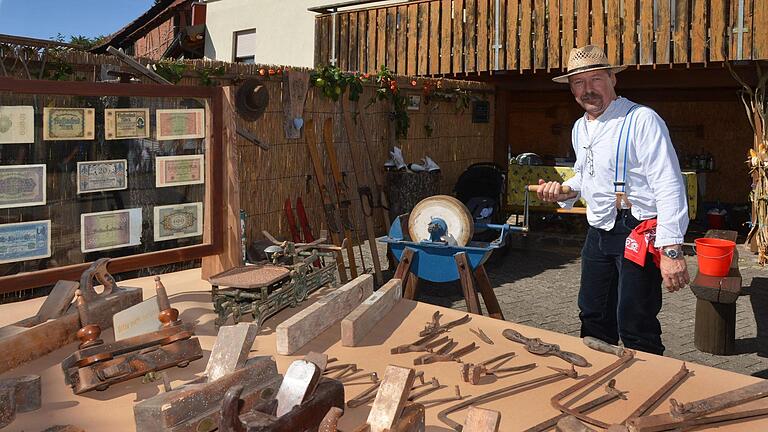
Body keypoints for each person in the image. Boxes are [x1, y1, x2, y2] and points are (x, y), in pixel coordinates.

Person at [537, 45, 689, 355]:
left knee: (635, 322)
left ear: (612, 79)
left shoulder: (642, 120)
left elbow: (669, 185)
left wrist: (671, 249)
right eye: (578, 83)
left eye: (595, 79)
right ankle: (598, 385)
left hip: (636, 230)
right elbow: (586, 177)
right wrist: (563, 189)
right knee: (592, 315)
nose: (588, 90)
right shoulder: (580, 127)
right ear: (571, 88)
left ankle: (648, 391)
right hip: (598, 229)